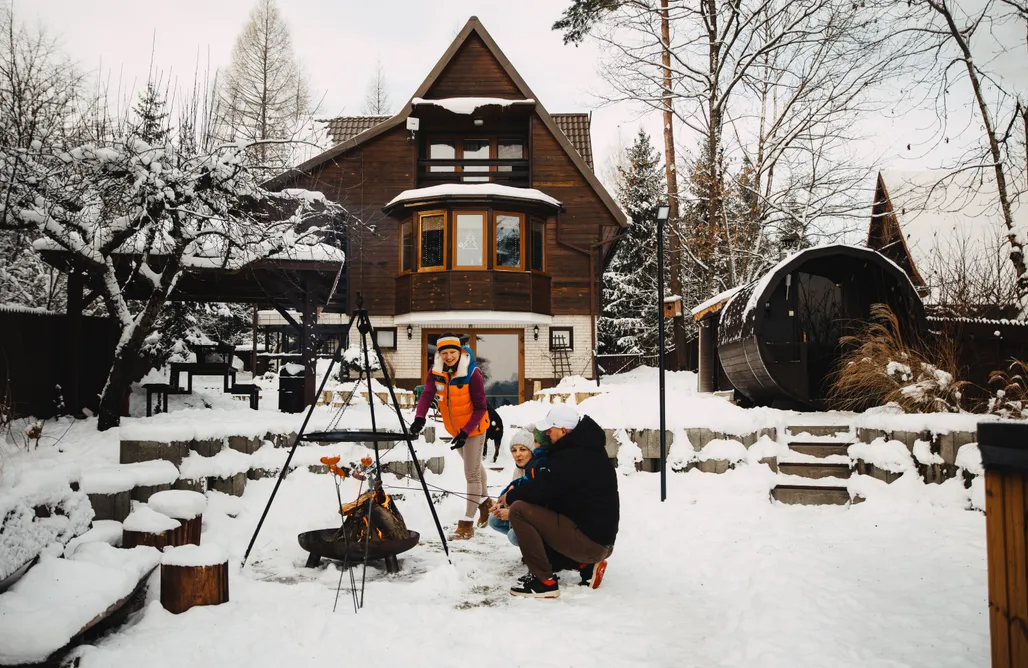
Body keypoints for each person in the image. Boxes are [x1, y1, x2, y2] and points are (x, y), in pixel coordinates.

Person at [496, 404, 619, 599]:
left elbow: (542, 489)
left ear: (563, 430)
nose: (548, 434)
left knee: (519, 510)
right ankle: (584, 565)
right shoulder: (587, 449)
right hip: (597, 539)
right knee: (541, 516)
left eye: (550, 429)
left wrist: (511, 496)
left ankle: (544, 582)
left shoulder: (572, 456)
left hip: (591, 543)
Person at [408, 334, 491, 540]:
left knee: (471, 474)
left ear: (459, 351)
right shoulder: (436, 371)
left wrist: (465, 432)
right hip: (456, 429)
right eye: (444, 353)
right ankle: (486, 503)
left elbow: (481, 407)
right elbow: (427, 394)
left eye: (452, 352)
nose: (449, 356)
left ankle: (467, 524)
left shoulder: (472, 373)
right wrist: (419, 418)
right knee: (475, 466)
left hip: (474, 428)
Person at [488, 428, 549, 545]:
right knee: (494, 520)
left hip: (540, 518)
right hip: (525, 512)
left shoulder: (537, 468)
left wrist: (511, 513)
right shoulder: (519, 470)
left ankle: (539, 551)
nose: (517, 454)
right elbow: (513, 488)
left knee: (514, 535)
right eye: (514, 450)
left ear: (532, 451)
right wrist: (501, 503)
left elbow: (535, 500)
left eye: (523, 449)